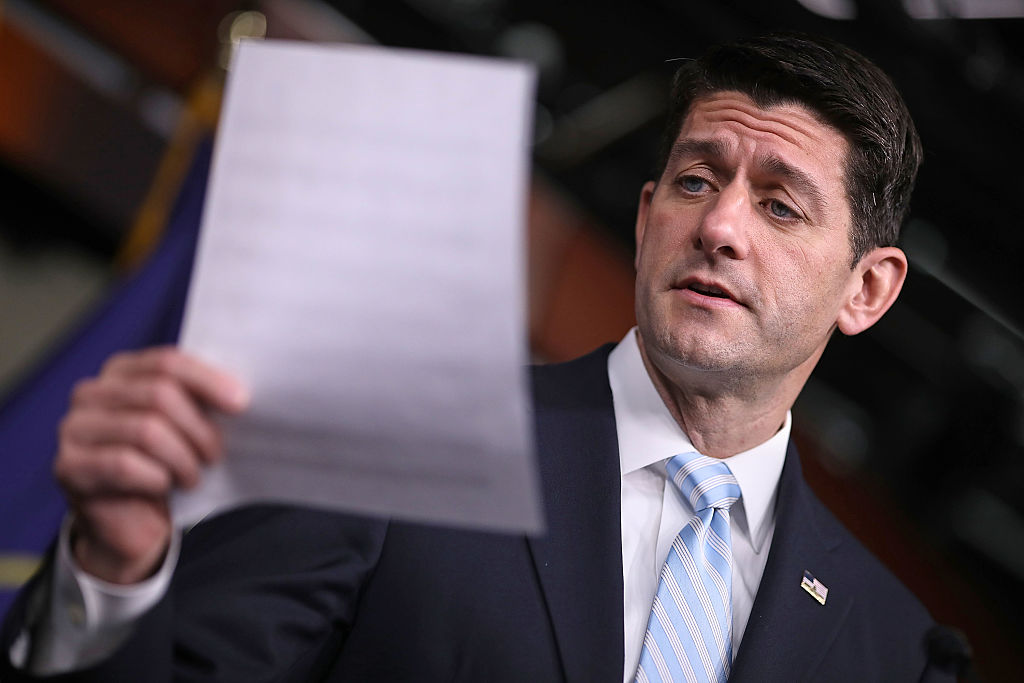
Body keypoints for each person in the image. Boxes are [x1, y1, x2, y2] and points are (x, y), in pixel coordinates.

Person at [1, 32, 953, 681]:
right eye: (697, 181)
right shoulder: (400, 439)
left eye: (780, 205)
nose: (720, 226)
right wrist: (116, 572)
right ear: (644, 219)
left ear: (867, 289)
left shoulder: (897, 647)